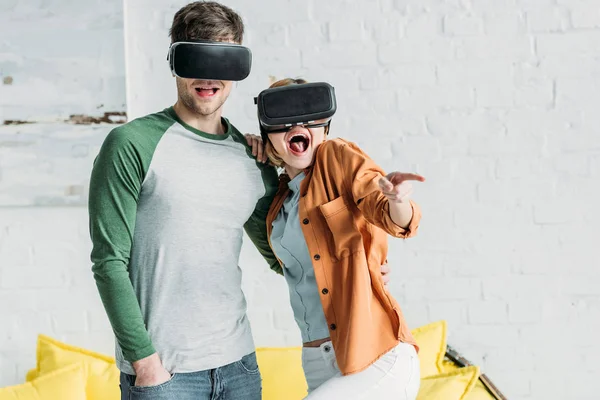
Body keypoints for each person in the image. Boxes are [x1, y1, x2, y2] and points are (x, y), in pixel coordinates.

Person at [88, 2, 391, 399]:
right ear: (175, 61)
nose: (209, 77)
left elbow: (288, 254)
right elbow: (109, 261)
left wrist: (363, 263)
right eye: (197, 57)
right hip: (164, 374)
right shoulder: (132, 144)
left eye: (224, 62)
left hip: (239, 367)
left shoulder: (252, 158)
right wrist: (146, 364)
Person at [259, 78, 425, 399]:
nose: (297, 125)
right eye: (283, 119)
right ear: (269, 135)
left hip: (376, 354)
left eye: (309, 117)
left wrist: (397, 199)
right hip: (317, 360)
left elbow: (386, 213)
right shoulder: (278, 202)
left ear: (324, 128)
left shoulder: (337, 158)